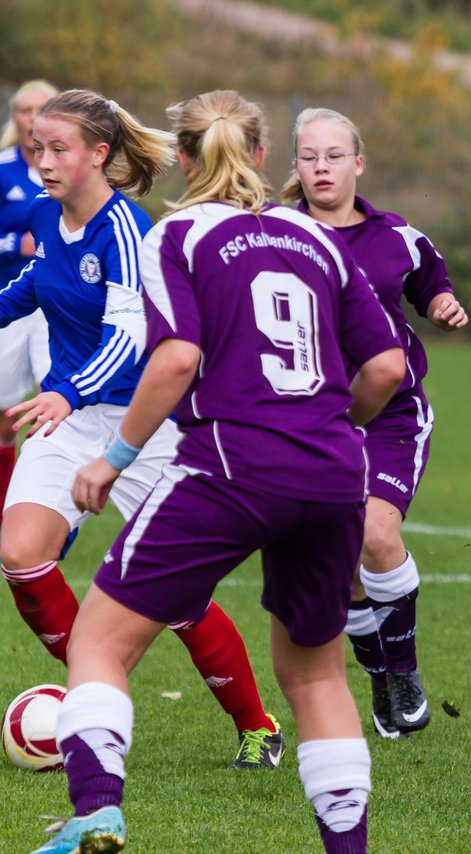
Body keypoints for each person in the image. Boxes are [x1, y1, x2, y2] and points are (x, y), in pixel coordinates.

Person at [32, 88, 404, 854]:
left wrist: (114, 458)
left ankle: (96, 812)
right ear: (265, 156)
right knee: (316, 678)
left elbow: (175, 358)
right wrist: (337, 428)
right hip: (334, 474)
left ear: (186, 157)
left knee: (99, 643)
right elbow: (389, 366)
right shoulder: (320, 240)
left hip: (231, 464)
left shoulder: (181, 236)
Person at [0, 89, 284, 771]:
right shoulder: (46, 215)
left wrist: (67, 389)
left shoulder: (127, 228)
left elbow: (129, 338)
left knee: (180, 596)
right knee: (19, 552)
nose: (41, 160)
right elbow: (34, 290)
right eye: (36, 146)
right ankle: (91, 700)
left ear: (99, 154)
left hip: (142, 425)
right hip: (66, 419)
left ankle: (257, 725)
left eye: (57, 147)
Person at [282, 107, 468, 739]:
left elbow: (431, 287)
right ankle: (379, 673)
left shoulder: (398, 238)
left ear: (358, 163)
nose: (322, 167)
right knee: (340, 568)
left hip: (390, 416)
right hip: (306, 421)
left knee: (376, 536)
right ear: (296, 167)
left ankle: (405, 673)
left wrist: (443, 305)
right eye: (309, 156)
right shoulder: (276, 234)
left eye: (335, 156)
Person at [0, 80, 58, 523]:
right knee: (4, 417)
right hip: (11, 304)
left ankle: (42, 505)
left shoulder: (70, 168)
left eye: (42, 109)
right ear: (16, 117)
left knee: (50, 401)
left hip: (54, 310)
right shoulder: (3, 169)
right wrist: (10, 244)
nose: (32, 117)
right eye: (25, 110)